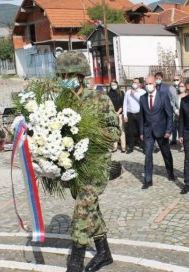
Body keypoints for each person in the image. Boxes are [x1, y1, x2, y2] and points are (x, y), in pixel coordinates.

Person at [67, 79, 119, 272]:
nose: (65, 79)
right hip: (75, 167)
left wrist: (90, 132)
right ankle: (104, 253)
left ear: (79, 76)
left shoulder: (99, 98)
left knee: (83, 206)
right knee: (91, 208)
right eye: (61, 75)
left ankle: (75, 262)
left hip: (96, 165)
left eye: (69, 75)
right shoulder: (64, 101)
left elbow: (115, 131)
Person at [139, 75, 175, 189]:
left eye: (150, 83)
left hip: (162, 130)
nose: (148, 86)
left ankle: (170, 172)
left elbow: (169, 115)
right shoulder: (143, 98)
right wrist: (141, 132)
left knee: (166, 154)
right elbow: (141, 117)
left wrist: (168, 130)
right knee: (148, 155)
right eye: (146, 84)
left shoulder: (163, 96)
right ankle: (148, 180)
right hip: (148, 131)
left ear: (155, 84)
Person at [123, 78, 146, 154]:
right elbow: (125, 104)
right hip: (130, 114)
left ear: (139, 84)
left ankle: (144, 147)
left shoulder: (142, 92)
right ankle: (131, 147)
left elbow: (143, 102)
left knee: (141, 131)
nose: (134, 84)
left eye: (136, 82)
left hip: (139, 114)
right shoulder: (128, 92)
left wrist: (135, 94)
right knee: (130, 132)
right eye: (133, 82)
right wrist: (125, 115)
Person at [108, 79, 125, 153]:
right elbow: (108, 104)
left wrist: (118, 112)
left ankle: (123, 147)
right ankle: (114, 147)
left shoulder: (121, 93)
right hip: (112, 114)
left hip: (120, 114)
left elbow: (123, 104)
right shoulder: (108, 93)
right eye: (112, 84)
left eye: (114, 84)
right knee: (113, 130)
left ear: (117, 84)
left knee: (121, 130)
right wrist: (113, 112)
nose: (113, 86)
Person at [175, 81, 188, 152]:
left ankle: (187, 144)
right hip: (178, 116)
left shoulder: (187, 95)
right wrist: (176, 111)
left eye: (182, 86)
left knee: (186, 131)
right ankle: (182, 145)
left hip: (187, 116)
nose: (181, 88)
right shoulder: (177, 96)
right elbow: (173, 104)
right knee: (180, 130)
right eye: (180, 86)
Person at [169, 75, 181, 145]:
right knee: (173, 125)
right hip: (173, 110)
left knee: (180, 126)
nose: (176, 81)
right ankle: (173, 139)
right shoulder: (170, 88)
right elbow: (170, 100)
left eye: (177, 79)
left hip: (181, 110)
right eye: (174, 80)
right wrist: (175, 110)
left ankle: (181, 139)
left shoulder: (182, 87)